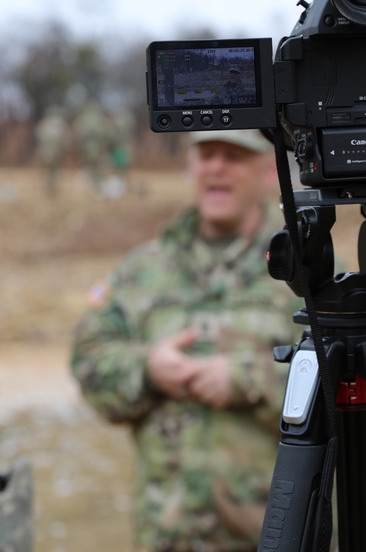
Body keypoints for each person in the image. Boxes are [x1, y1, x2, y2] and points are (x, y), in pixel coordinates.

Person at [70, 129, 299, 552]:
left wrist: (247, 379)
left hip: (278, 536)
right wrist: (147, 368)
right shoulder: (141, 270)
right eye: (206, 154)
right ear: (190, 166)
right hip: (166, 536)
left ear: (269, 171)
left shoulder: (304, 268)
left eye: (233, 156)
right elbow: (89, 360)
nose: (217, 167)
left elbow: (346, 375)